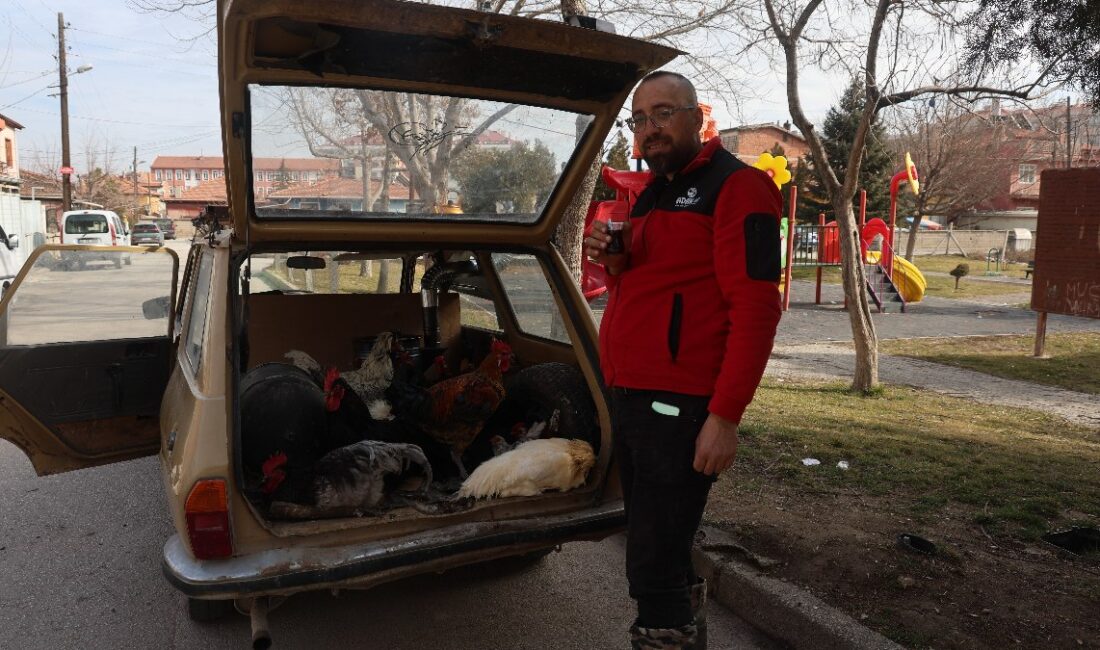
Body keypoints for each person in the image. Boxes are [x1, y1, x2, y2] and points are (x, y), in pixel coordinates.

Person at [585, 71, 783, 649]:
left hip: (682, 404)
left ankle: (665, 633)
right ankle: (683, 626)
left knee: (651, 552)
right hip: (634, 396)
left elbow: (756, 310)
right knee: (662, 540)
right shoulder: (652, 190)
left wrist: (725, 417)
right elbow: (648, 279)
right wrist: (613, 259)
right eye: (640, 119)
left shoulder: (737, 188)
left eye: (664, 112)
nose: (651, 128)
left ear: (699, 117)